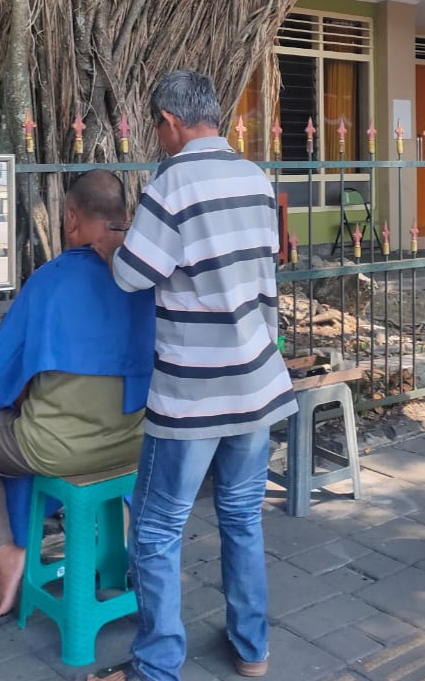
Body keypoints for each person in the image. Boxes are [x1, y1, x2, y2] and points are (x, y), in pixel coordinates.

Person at [89, 71, 297, 681]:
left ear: (171, 121)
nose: (157, 135)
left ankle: (156, 667)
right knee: (240, 515)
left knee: (155, 529)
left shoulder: (171, 184)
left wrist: (111, 245)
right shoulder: (255, 179)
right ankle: (252, 650)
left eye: (156, 125)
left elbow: (134, 275)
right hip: (257, 381)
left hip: (192, 394)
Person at [0, 170, 155, 626]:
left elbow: (3, 377)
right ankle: (117, 564)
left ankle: (9, 560)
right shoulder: (147, 275)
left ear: (73, 218)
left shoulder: (51, 280)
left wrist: (12, 406)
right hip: (134, 444)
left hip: (55, 449)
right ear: (123, 217)